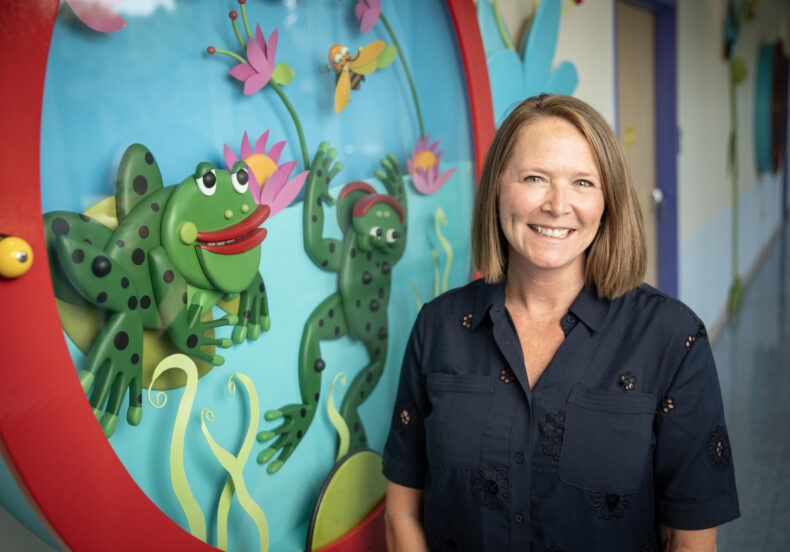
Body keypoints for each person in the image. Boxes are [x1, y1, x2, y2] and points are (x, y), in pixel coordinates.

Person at [382, 94, 739, 551]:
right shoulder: (439, 327)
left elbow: (689, 539)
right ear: (497, 187)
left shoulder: (671, 339)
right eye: (535, 178)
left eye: (583, 183)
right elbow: (403, 512)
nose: (557, 204)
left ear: (608, 201)